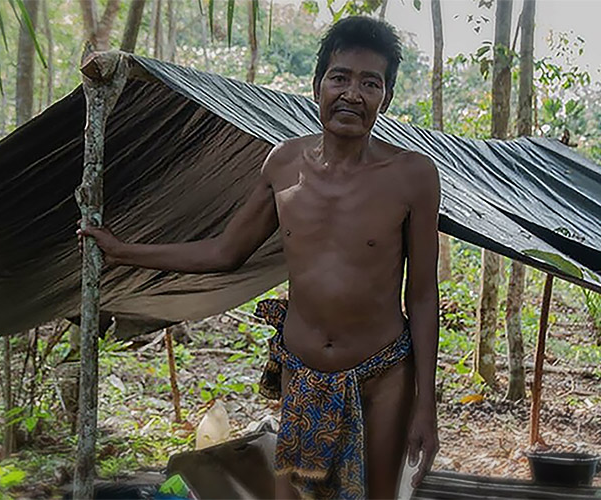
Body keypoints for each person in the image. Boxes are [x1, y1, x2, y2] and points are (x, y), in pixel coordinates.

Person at [79, 16, 440, 500]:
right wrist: (124, 251)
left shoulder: (413, 176)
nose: (352, 94)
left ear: (386, 98)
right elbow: (225, 252)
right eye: (340, 78)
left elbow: (421, 295)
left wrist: (426, 408)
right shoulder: (284, 164)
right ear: (317, 88)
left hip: (383, 376)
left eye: (369, 83)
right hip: (302, 370)